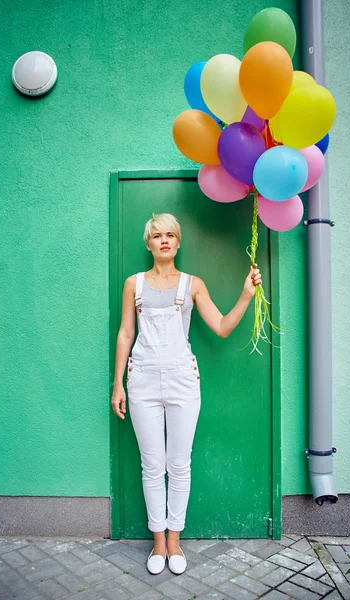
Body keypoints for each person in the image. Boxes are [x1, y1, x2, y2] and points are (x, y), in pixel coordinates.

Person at [111, 212, 262, 575]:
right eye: (157, 235)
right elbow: (125, 334)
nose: (164, 240)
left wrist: (245, 295)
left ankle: (175, 540)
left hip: (182, 380)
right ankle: (158, 543)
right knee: (152, 465)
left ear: (178, 242)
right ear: (148, 244)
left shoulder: (192, 285)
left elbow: (223, 327)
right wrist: (118, 383)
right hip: (142, 379)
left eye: (170, 235)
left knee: (179, 464)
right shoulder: (134, 284)